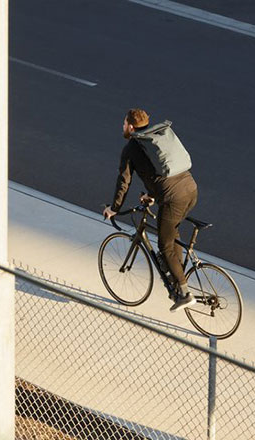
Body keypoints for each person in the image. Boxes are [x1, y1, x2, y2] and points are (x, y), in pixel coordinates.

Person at [103, 108, 199, 312]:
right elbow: (158, 171)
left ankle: (184, 293)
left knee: (165, 245)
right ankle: (177, 275)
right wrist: (152, 196)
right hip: (190, 189)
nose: (122, 127)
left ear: (130, 126)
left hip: (174, 198)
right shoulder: (155, 138)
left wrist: (114, 208)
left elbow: (124, 182)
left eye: (123, 124)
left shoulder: (131, 148)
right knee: (171, 234)